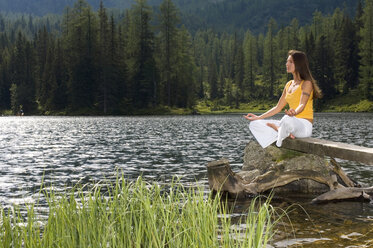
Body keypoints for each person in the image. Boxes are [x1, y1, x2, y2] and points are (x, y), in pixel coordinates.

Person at [244, 50, 322, 148]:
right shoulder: (288, 85)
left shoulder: (307, 83)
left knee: (286, 119)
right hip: (289, 122)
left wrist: (294, 112)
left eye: (290, 62)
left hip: (303, 126)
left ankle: (279, 131)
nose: (287, 64)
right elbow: (278, 107)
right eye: (287, 61)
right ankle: (282, 132)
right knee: (254, 124)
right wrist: (259, 117)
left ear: (299, 64)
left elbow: (302, 104)